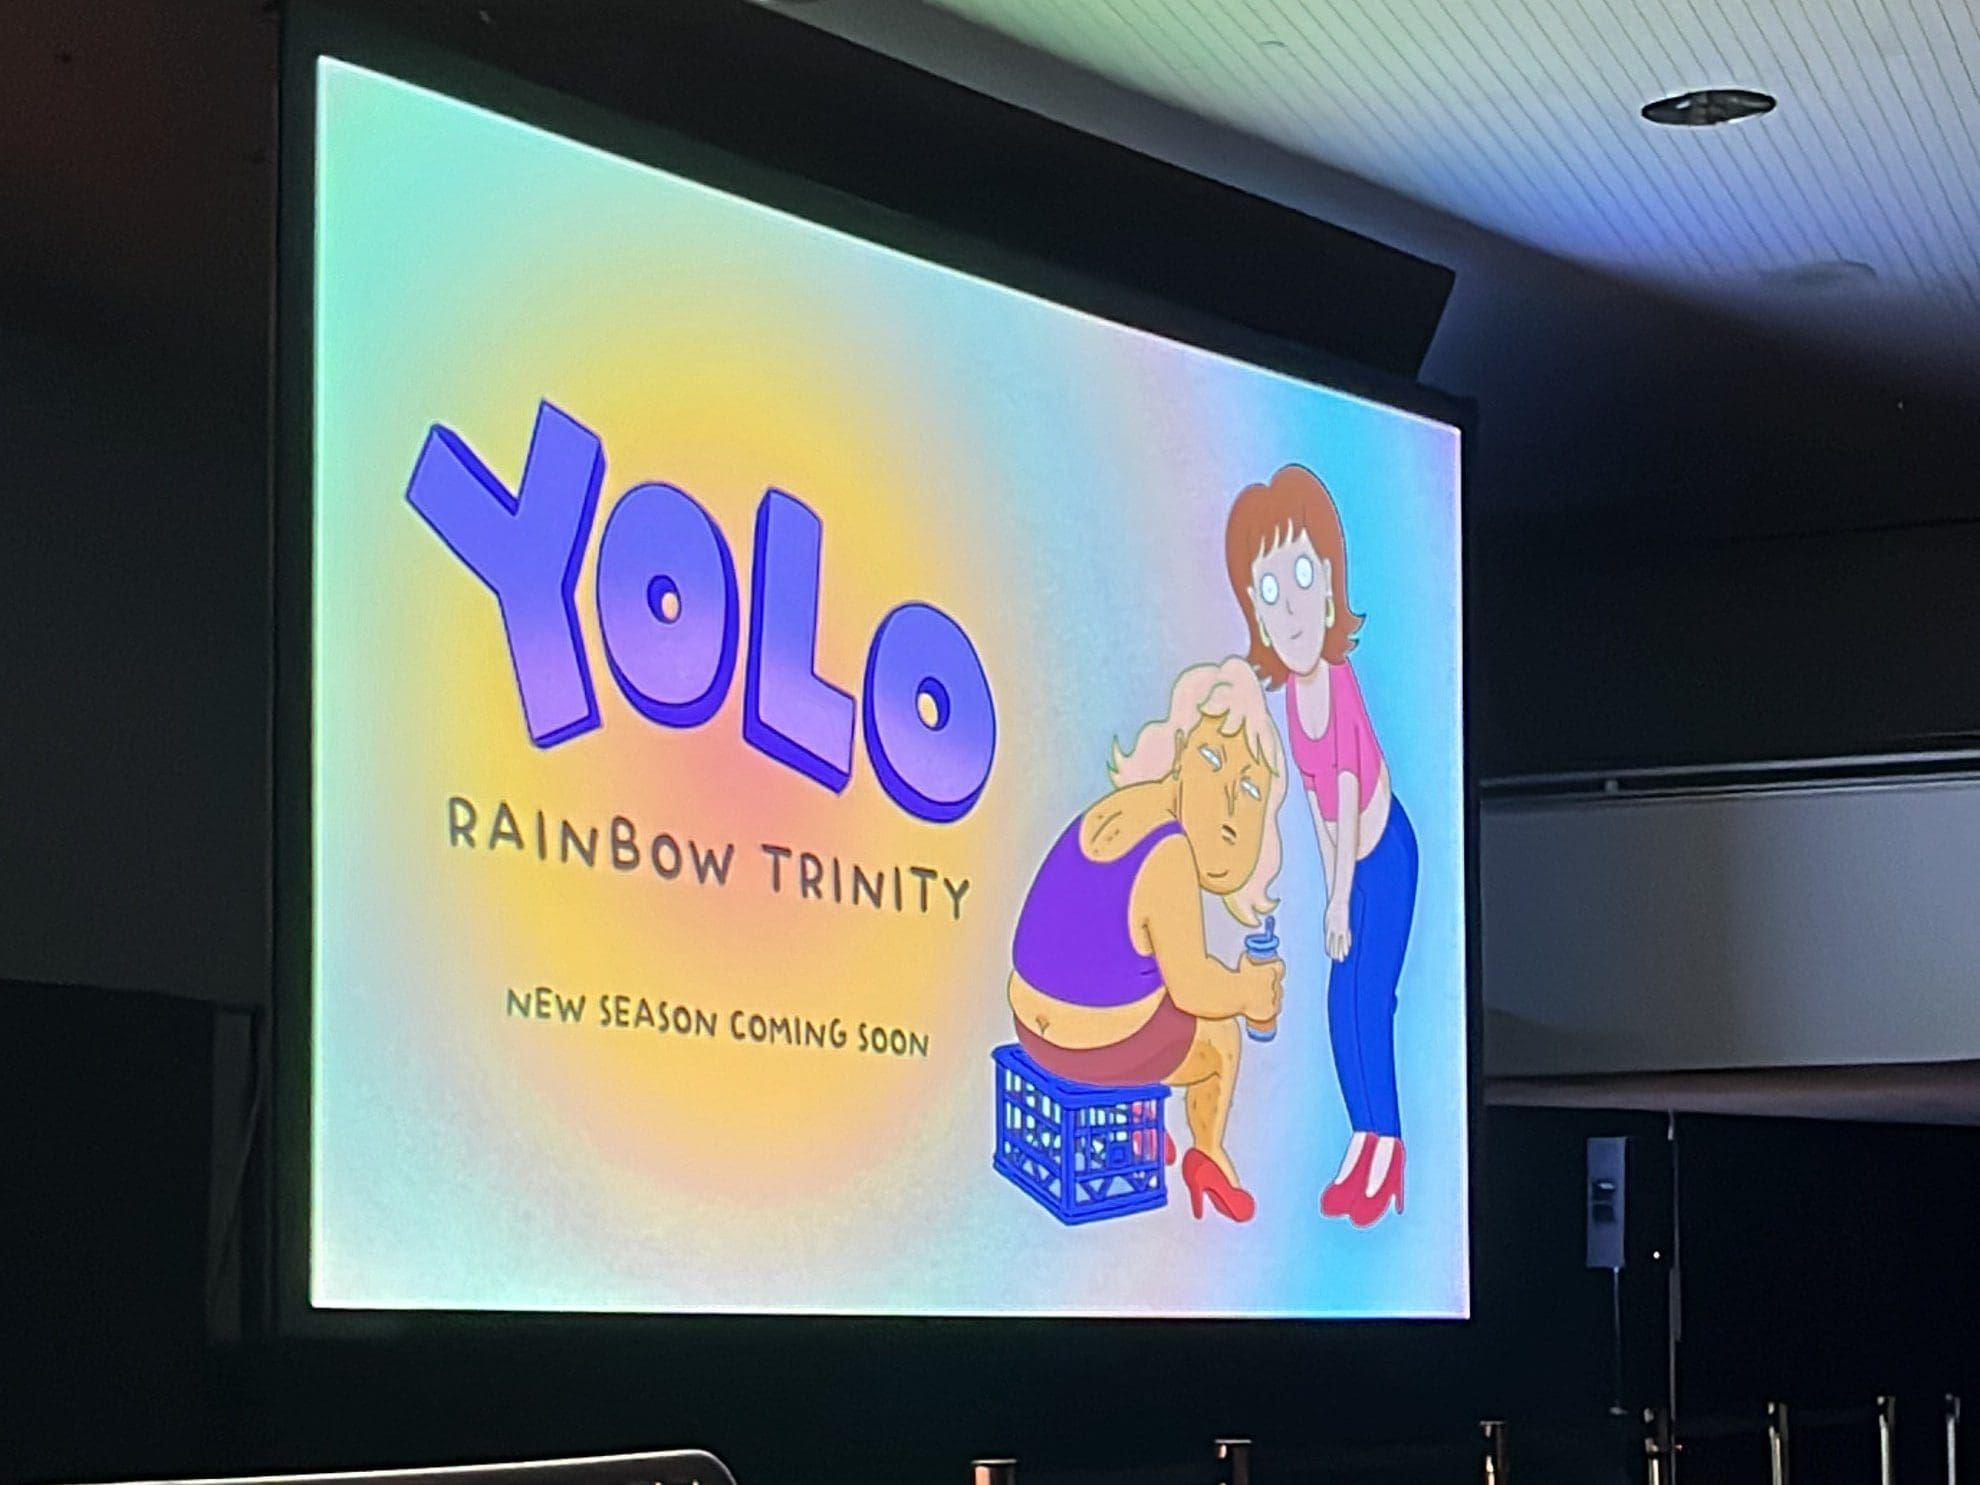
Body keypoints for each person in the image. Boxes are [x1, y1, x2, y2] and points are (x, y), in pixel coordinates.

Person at [1007, 659, 1287, 1224]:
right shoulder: (1169, 851)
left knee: (1154, 983)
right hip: (1093, 1043)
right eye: (1212, 761)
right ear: (1180, 756)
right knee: (1219, 1040)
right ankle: (1207, 1155)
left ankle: (1141, 1126)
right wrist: (1250, 993)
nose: (1229, 807)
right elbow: (1194, 989)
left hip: (1028, 1021)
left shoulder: (1114, 810)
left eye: (1248, 789)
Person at [1225, 466, 1418, 1228]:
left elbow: (1342, 788)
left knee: (1370, 999)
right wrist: (1330, 889)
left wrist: (1338, 901)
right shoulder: (1290, 697)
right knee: (1342, 1003)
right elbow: (1311, 800)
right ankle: (1363, 1140)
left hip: (1385, 857)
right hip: (1348, 861)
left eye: (1303, 576)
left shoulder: (1337, 680)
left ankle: (1389, 1149)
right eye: (1270, 590)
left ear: (1332, 586)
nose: (1291, 607)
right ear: (1257, 614)